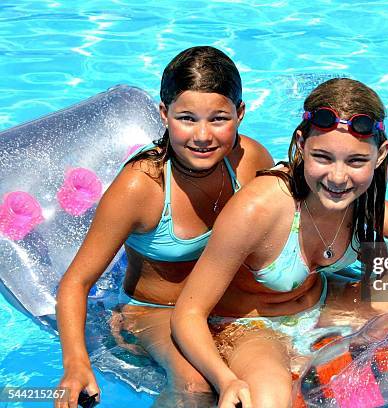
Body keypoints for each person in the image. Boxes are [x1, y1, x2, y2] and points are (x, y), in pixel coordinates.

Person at [171, 77, 388, 407]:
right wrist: (226, 381)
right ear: (301, 144)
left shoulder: (362, 194)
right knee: (267, 400)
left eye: (356, 161)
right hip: (251, 328)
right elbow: (188, 313)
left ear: (379, 156)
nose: (338, 178)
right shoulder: (260, 207)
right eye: (322, 157)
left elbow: (380, 213)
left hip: (322, 303)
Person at [55, 46, 274, 408]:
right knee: (196, 385)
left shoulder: (249, 161)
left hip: (226, 301)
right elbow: (75, 282)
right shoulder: (142, 187)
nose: (202, 136)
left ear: (240, 114)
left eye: (218, 119)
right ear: (164, 114)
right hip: (157, 311)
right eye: (187, 118)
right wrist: (75, 363)